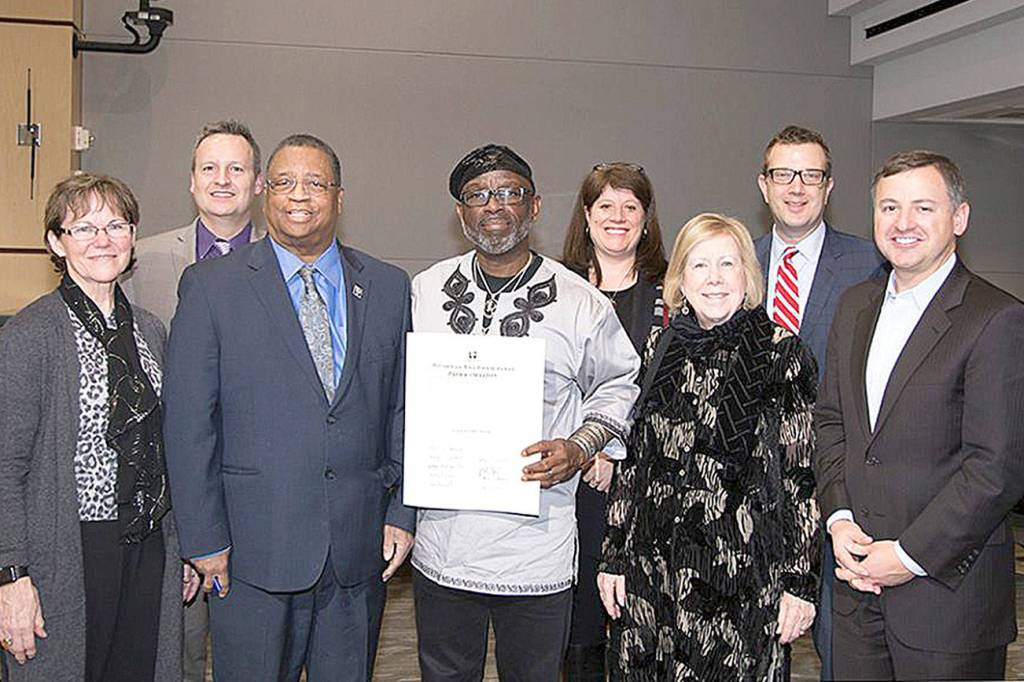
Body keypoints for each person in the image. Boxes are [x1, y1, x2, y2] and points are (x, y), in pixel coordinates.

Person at [162, 133, 415, 681]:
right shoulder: (211, 287)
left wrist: (401, 511)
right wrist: (204, 541)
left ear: (340, 198)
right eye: (284, 182)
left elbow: (402, 408)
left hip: (356, 551)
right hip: (250, 556)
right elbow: (188, 425)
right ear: (263, 192)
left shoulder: (389, 288)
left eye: (316, 183)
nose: (299, 195)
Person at [411, 143, 640, 681]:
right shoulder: (424, 293)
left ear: (534, 207)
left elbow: (619, 384)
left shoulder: (581, 301)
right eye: (477, 195)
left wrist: (580, 446)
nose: (494, 205)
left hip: (536, 544)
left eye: (510, 192)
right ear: (460, 212)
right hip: (446, 542)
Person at [814, 150, 1024, 681]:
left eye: (922, 208)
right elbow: (833, 424)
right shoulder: (854, 305)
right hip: (856, 591)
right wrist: (839, 521)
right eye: (889, 208)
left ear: (959, 218)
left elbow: (995, 469)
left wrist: (906, 556)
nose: (902, 223)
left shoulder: (997, 319)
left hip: (948, 601)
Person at [599, 212, 820, 680]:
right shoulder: (661, 345)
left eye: (727, 264)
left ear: (748, 275)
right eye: (699, 265)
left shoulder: (782, 353)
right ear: (680, 278)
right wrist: (613, 557)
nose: (714, 279)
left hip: (739, 586)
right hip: (650, 578)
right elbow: (634, 461)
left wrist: (800, 585)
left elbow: (803, 478)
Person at [0, 173, 199, 681]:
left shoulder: (151, 330)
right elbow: (5, 466)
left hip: (147, 545)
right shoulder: (30, 335)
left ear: (132, 236)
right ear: (56, 242)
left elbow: (166, 451)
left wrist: (181, 547)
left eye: (116, 224)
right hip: (67, 551)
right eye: (84, 228)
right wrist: (11, 577)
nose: (103, 239)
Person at [121, 118, 264, 682]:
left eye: (237, 168)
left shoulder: (292, 264)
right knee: (174, 648)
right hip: (165, 490)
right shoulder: (138, 261)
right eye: (210, 168)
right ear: (191, 181)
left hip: (255, 493)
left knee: (252, 648)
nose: (222, 179)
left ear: (258, 183)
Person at [754, 124, 883, 679]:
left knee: (843, 643)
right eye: (785, 174)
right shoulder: (733, 263)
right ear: (764, 185)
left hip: (839, 483)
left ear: (829, 186)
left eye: (811, 174)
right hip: (752, 491)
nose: (797, 186)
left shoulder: (872, 266)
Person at [560, 161, 668, 680]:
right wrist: (584, 449)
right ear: (586, 215)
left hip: (646, 487)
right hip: (568, 485)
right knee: (579, 626)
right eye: (606, 206)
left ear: (646, 219)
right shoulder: (552, 289)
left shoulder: (675, 293)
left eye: (631, 207)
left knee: (638, 621)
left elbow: (671, 393)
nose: (618, 217)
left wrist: (611, 449)